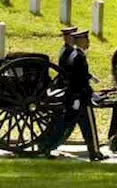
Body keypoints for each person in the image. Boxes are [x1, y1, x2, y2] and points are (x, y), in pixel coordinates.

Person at [38, 29, 105, 161]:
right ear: (81, 41)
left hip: (75, 96)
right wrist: (87, 95)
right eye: (86, 40)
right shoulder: (78, 56)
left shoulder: (74, 54)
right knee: (88, 126)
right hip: (79, 97)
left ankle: (46, 147)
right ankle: (94, 152)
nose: (88, 43)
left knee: (66, 125)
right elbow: (77, 79)